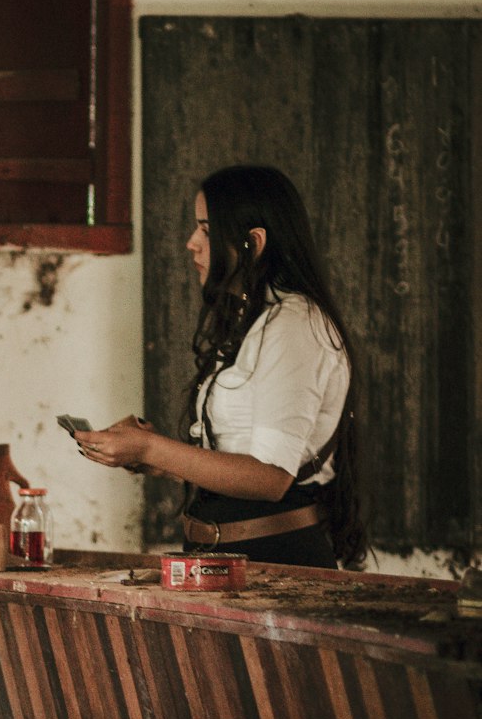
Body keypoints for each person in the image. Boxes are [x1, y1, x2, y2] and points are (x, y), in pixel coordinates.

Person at [76, 164, 366, 568]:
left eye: (207, 231)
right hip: (228, 557)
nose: (191, 244)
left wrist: (150, 446)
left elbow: (270, 478)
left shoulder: (294, 324)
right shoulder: (257, 319)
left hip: (274, 559)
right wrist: (152, 458)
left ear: (254, 242)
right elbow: (238, 461)